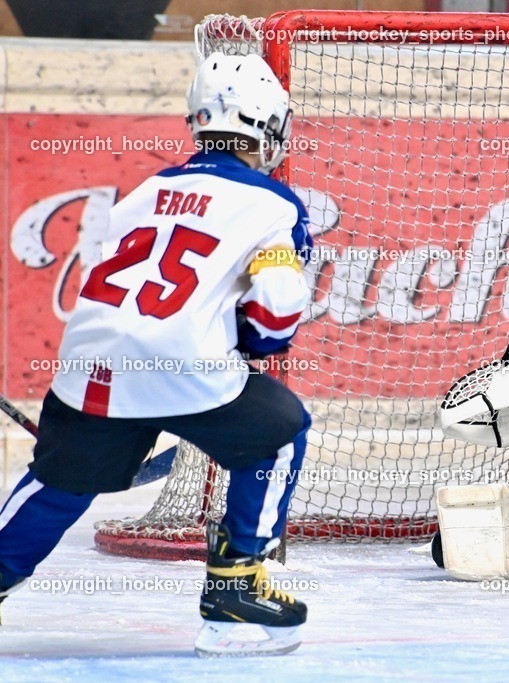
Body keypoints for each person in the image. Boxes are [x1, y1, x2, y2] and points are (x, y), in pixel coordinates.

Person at [0, 52, 313, 656]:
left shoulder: (145, 190)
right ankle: (237, 590)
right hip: (187, 369)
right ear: (270, 125)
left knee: (60, 483)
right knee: (278, 432)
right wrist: (247, 346)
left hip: (88, 366)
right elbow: (275, 317)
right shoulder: (274, 205)